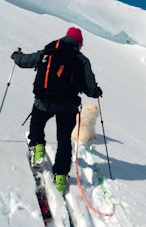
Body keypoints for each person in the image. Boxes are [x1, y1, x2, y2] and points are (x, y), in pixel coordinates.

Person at [11, 27, 102, 194]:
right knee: (64, 140)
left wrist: (16, 56)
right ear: (79, 43)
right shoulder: (81, 60)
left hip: (44, 101)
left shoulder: (49, 51)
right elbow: (89, 88)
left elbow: (26, 61)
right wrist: (96, 91)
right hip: (68, 107)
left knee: (37, 124)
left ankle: (37, 148)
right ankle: (60, 177)